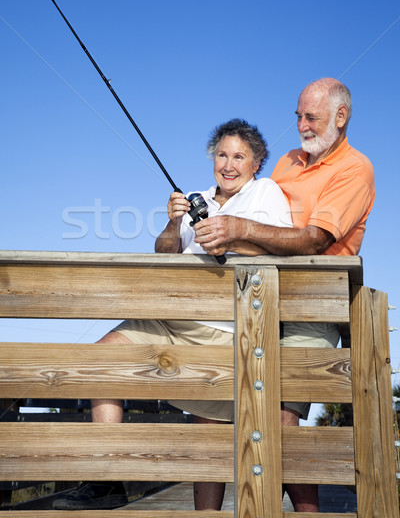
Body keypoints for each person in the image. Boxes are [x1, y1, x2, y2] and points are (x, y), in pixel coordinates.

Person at [53, 118, 292, 511]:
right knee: (102, 356)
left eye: (238, 157)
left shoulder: (266, 193)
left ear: (256, 163)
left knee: (207, 441)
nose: (228, 165)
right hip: (167, 316)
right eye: (221, 155)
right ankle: (106, 479)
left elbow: (281, 247)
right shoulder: (197, 195)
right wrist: (173, 221)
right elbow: (165, 253)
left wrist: (233, 235)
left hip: (220, 327)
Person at [192, 77, 375, 512]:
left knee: (279, 420)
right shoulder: (289, 162)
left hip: (311, 304)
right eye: (298, 116)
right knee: (213, 408)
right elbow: (261, 217)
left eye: (310, 117)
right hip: (258, 300)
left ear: (340, 117)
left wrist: (238, 231)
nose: (301, 125)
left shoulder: (356, 169)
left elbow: (313, 240)